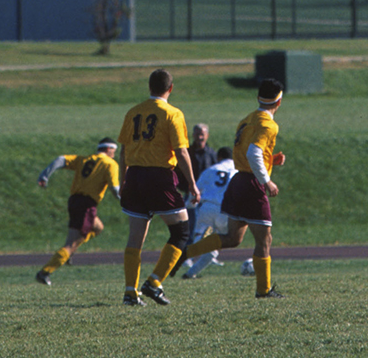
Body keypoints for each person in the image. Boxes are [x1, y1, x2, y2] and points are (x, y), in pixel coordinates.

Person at [181, 78, 286, 299]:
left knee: (233, 238)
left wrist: (271, 160)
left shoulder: (247, 120)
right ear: (279, 101)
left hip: (237, 182)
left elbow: (247, 153)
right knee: (264, 239)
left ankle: (187, 253)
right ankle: (263, 290)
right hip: (252, 185)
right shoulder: (269, 124)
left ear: (258, 97)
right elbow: (253, 154)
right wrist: (267, 180)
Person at [118, 69, 201, 306]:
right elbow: (181, 151)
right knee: (181, 231)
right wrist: (193, 184)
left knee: (135, 239)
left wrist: (123, 180)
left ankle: (130, 292)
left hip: (134, 176)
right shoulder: (172, 113)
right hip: (158, 177)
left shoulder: (133, 111)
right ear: (171, 88)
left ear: (149, 87)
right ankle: (154, 283)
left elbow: (124, 150)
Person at [34, 137, 121, 285]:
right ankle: (45, 272)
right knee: (71, 243)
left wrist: (45, 174)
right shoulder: (110, 164)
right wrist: (126, 202)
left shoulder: (85, 159)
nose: (114, 154)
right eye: (114, 151)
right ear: (108, 150)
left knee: (98, 227)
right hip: (86, 205)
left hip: (75, 201)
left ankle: (68, 254)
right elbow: (115, 188)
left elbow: (61, 159)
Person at [180, 146, 234, 279]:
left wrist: (188, 206)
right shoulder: (237, 171)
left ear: (219, 158)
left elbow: (196, 191)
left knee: (200, 240)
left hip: (207, 209)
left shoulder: (211, 170)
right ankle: (190, 272)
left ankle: (183, 262)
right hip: (226, 211)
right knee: (215, 247)